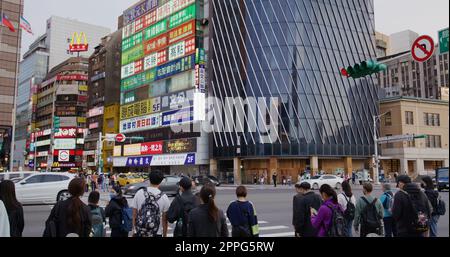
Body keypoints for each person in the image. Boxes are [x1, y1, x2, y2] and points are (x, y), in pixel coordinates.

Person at [131, 170, 170, 237]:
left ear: (149, 179)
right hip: (156, 232)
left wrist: (134, 230)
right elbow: (164, 220)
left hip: (140, 232)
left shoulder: (139, 193)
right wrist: (165, 235)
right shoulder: (164, 197)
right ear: (161, 181)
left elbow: (134, 214)